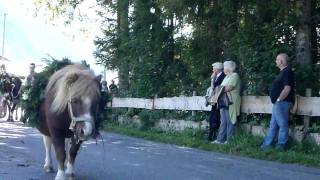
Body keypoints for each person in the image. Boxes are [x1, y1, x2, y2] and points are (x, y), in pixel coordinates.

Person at [260, 53, 295, 151]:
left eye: (277, 59)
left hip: (283, 103)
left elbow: (287, 88)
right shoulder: (282, 72)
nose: (276, 61)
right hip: (278, 103)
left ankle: (281, 145)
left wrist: (279, 99)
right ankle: (267, 145)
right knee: (273, 125)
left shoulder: (287, 72)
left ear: (282, 61)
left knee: (282, 124)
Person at [213, 61, 241, 144]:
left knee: (230, 121)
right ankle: (220, 140)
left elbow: (229, 88)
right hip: (223, 101)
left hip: (231, 101)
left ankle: (229, 141)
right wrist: (219, 89)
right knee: (223, 121)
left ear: (229, 68)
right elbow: (219, 87)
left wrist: (218, 89)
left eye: (224, 67)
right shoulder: (226, 77)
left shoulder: (235, 75)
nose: (223, 69)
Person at [207, 62, 225, 141]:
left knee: (216, 118)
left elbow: (214, 87)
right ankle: (211, 134)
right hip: (214, 99)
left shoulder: (222, 76)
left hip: (219, 99)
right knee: (212, 118)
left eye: (213, 68)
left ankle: (214, 135)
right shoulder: (217, 75)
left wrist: (212, 79)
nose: (212, 69)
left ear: (217, 69)